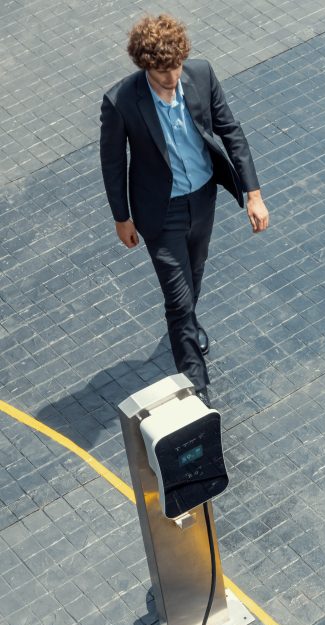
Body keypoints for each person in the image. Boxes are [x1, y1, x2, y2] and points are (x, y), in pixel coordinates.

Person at [99, 14, 269, 406]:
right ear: (145, 67)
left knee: (193, 277)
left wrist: (253, 194)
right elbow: (112, 163)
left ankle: (188, 325)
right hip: (160, 212)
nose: (172, 78)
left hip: (203, 198)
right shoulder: (120, 101)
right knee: (177, 301)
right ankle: (198, 388)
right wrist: (121, 217)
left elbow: (230, 130)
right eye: (161, 73)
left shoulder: (201, 75)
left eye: (176, 67)